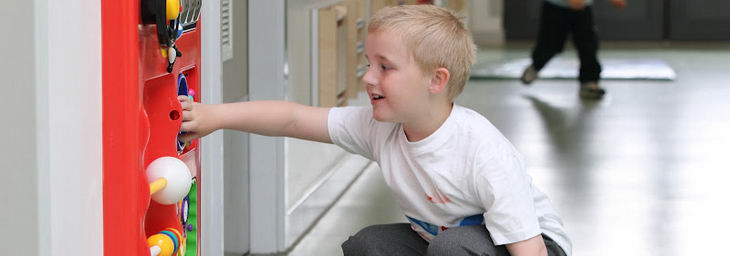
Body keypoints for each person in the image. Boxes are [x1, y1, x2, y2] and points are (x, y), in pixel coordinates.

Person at [179, 5, 570, 256]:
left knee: (454, 247)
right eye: (370, 64)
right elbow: (293, 118)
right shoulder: (379, 127)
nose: (369, 78)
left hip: (532, 246)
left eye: (386, 67)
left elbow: (529, 248)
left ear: (436, 80)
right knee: (371, 245)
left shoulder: (480, 150)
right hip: (444, 242)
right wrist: (215, 115)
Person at [521, 0, 626, 99]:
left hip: (583, 7)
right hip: (555, 7)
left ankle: (589, 81)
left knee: (588, 45)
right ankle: (536, 66)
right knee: (549, 45)